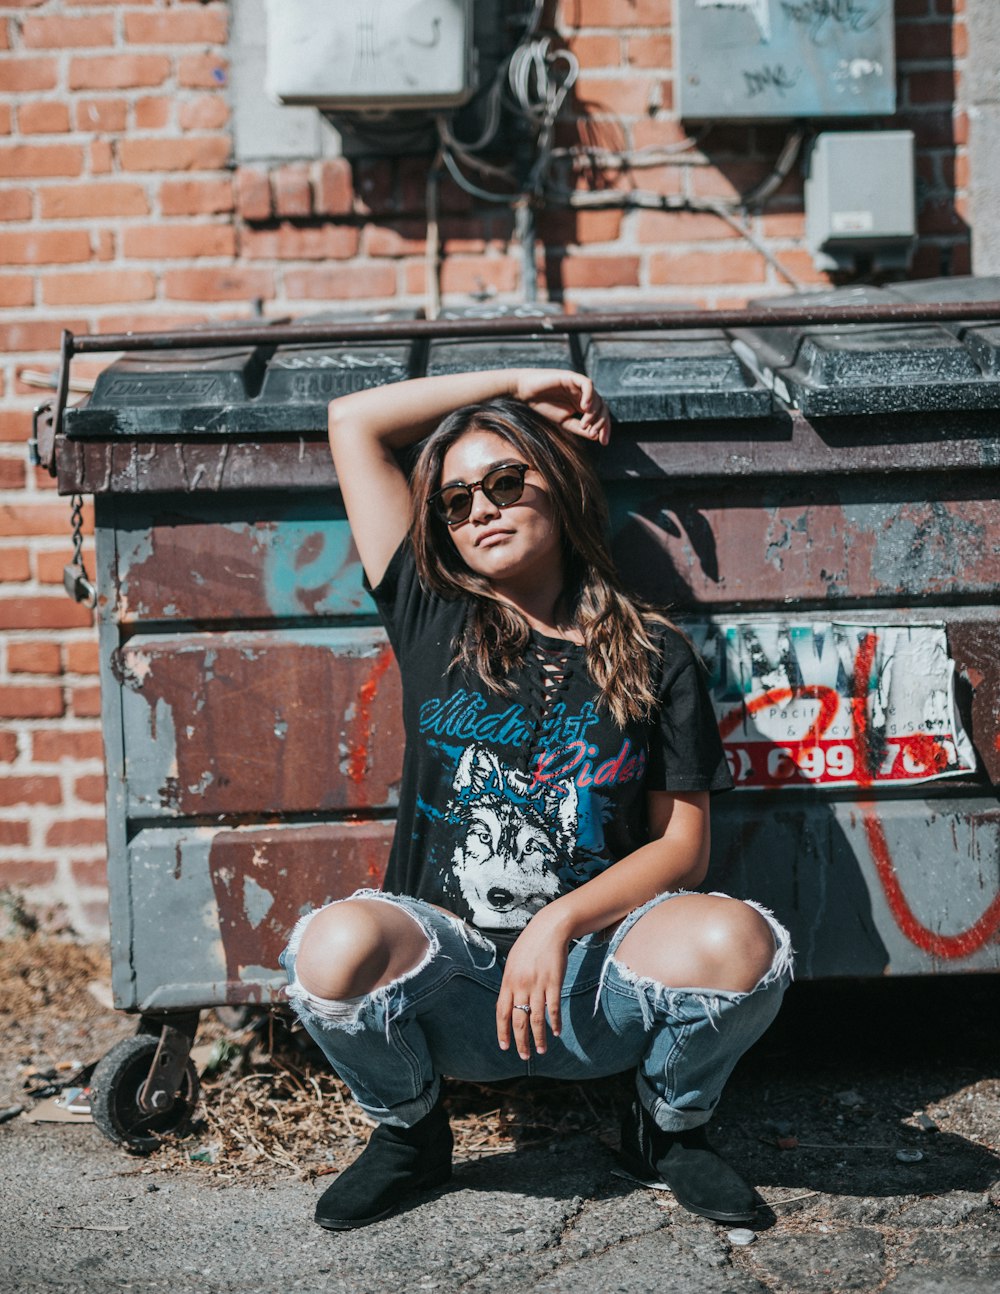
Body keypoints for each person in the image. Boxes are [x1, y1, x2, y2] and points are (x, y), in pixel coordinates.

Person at [281, 368, 792, 1232]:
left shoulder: (655, 654)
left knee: (740, 943)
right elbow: (353, 420)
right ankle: (410, 1134)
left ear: (562, 488)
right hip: (456, 985)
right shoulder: (430, 612)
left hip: (597, 985)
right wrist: (516, 382)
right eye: (455, 501)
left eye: (506, 481)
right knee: (330, 949)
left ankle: (668, 1129)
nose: (479, 508)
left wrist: (558, 924)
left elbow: (682, 849)